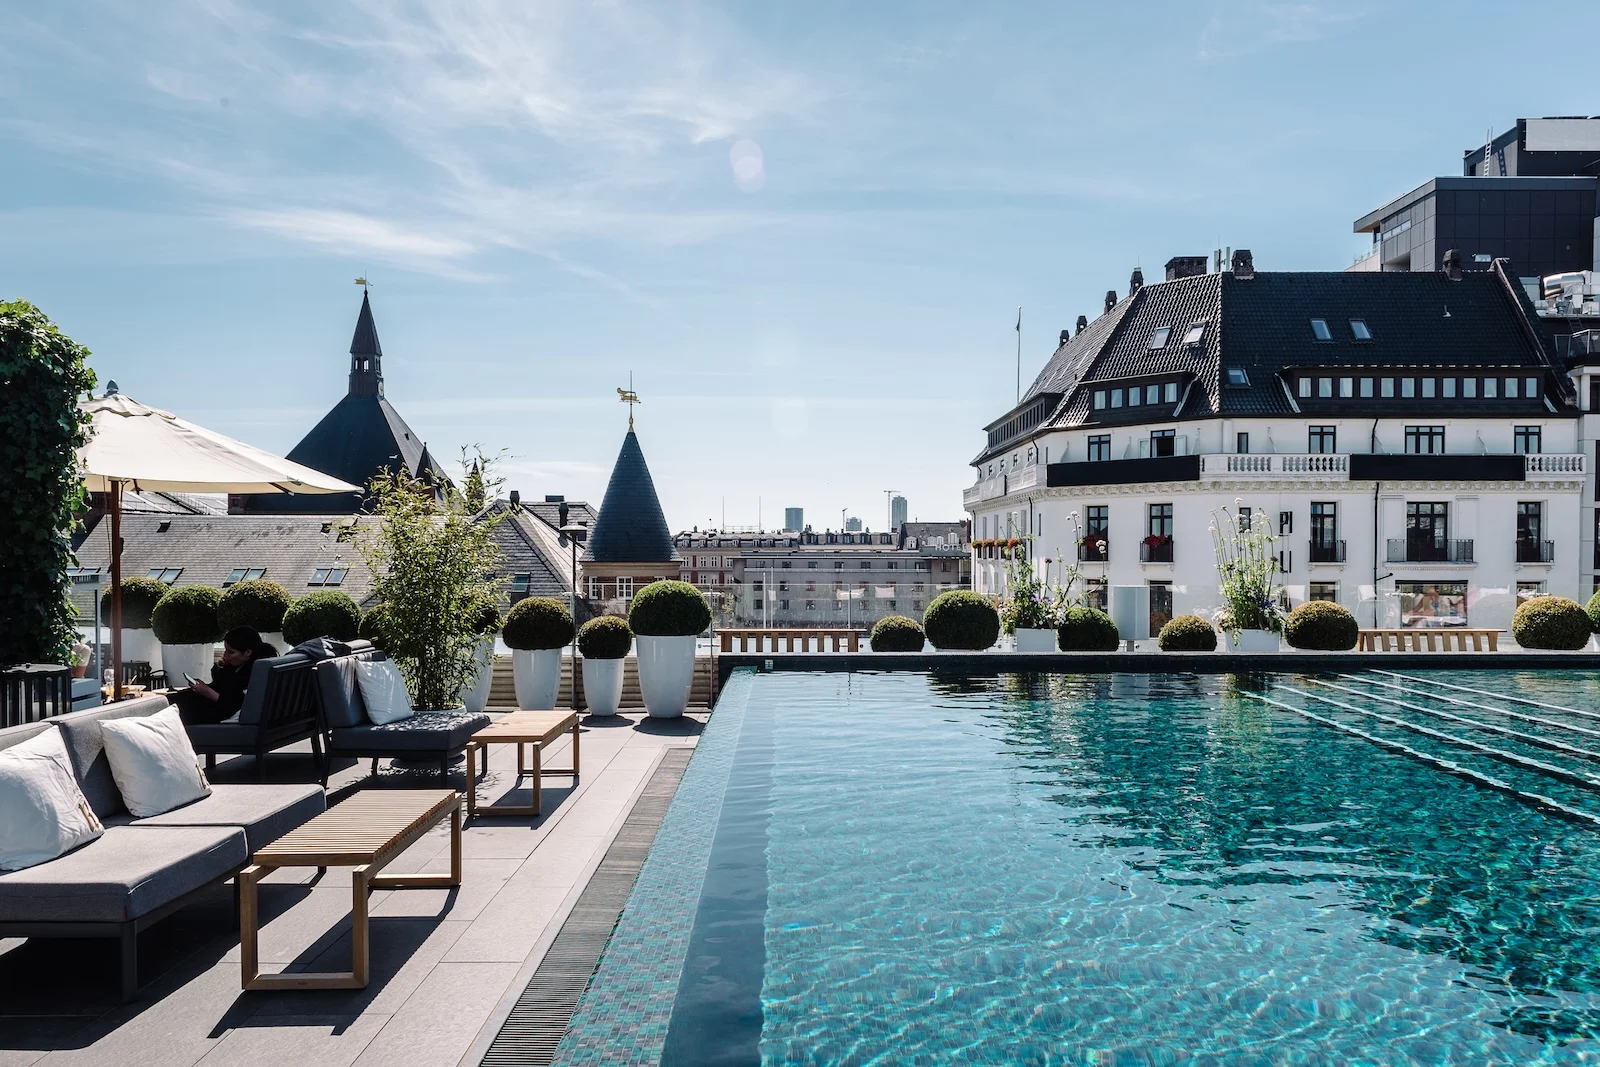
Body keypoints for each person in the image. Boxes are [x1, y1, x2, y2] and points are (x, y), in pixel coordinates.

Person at [173, 627, 277, 726]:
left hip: (211, 711)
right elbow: (221, 682)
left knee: (171, 708)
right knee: (173, 698)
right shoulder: (241, 665)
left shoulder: (254, 673)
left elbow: (231, 705)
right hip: (207, 705)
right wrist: (221, 666)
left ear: (248, 652)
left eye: (231, 652)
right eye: (226, 650)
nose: (226, 655)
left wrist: (206, 691)